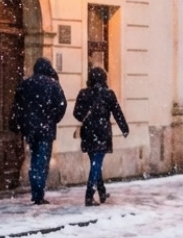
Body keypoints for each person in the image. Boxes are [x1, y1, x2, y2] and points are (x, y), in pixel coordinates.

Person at [9, 57, 67, 205]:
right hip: (46, 129)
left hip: (30, 129)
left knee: (35, 157)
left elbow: (17, 106)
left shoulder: (25, 84)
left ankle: (36, 188)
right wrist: (53, 119)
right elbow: (62, 105)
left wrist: (21, 124)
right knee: (42, 160)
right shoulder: (53, 85)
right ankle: (38, 192)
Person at [73, 67, 129, 207]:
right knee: (96, 164)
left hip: (88, 132)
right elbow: (117, 112)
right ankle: (89, 195)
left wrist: (86, 115)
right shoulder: (108, 94)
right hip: (102, 132)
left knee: (95, 162)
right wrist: (124, 128)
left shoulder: (83, 93)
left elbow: (77, 114)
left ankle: (102, 192)